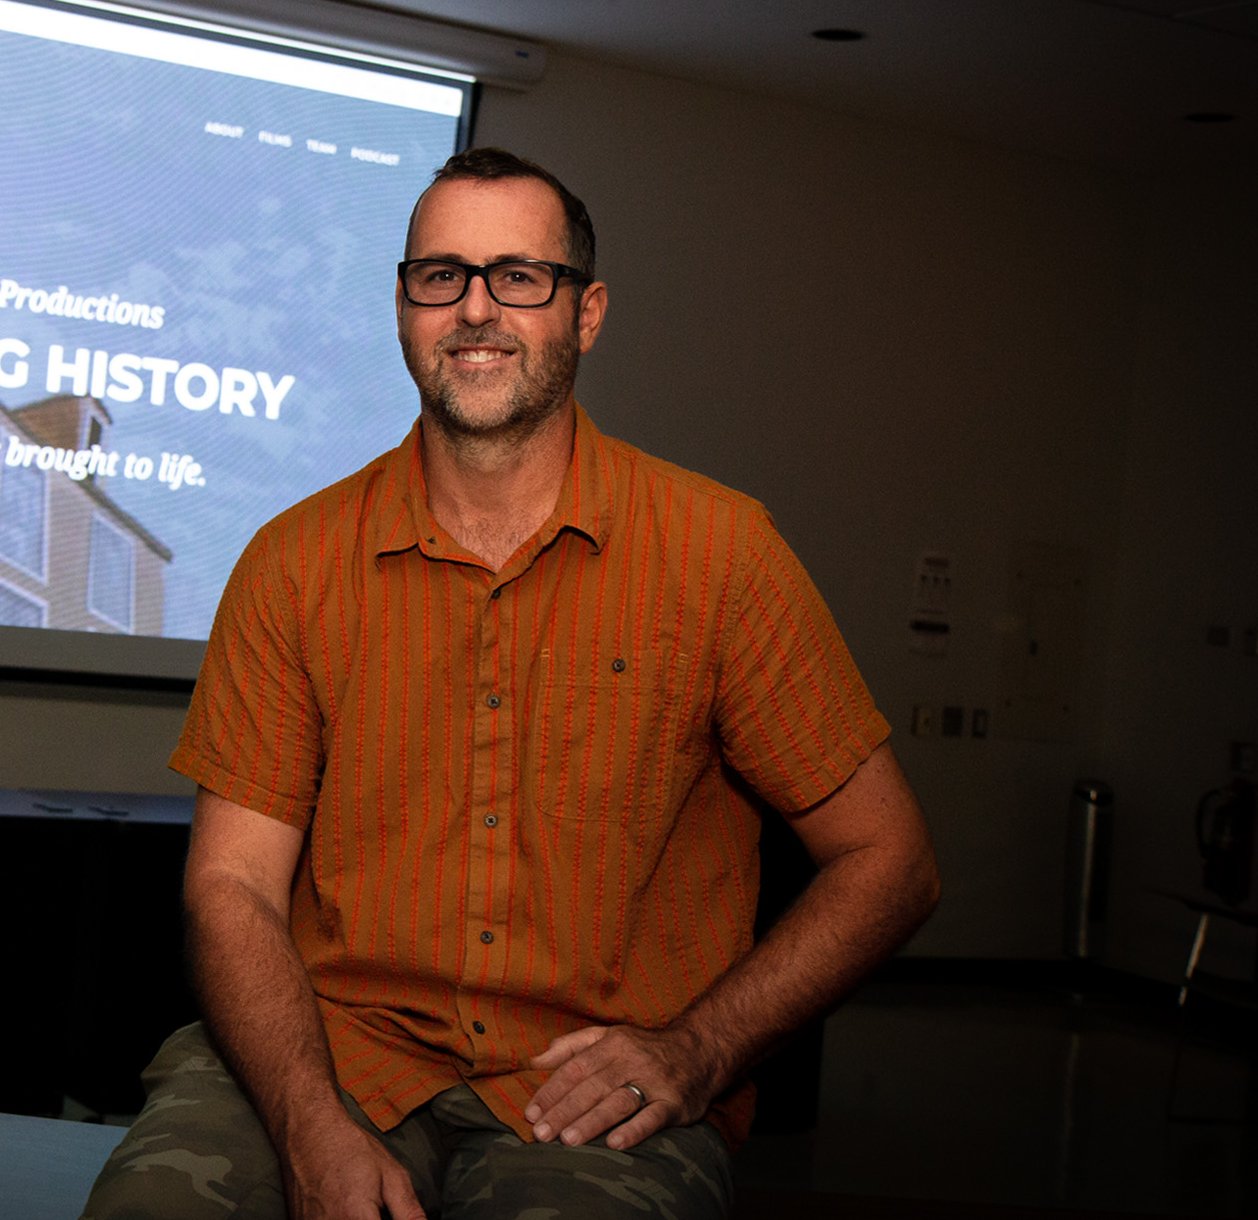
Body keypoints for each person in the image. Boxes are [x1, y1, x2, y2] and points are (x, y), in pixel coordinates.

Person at [81, 147, 940, 1220]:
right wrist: (309, 1122)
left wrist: (698, 1049)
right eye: (440, 276)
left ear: (585, 314)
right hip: (323, 1049)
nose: (475, 309)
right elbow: (232, 887)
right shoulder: (292, 564)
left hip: (589, 1089)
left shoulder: (720, 553)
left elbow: (889, 859)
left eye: (518, 277)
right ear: (403, 308)